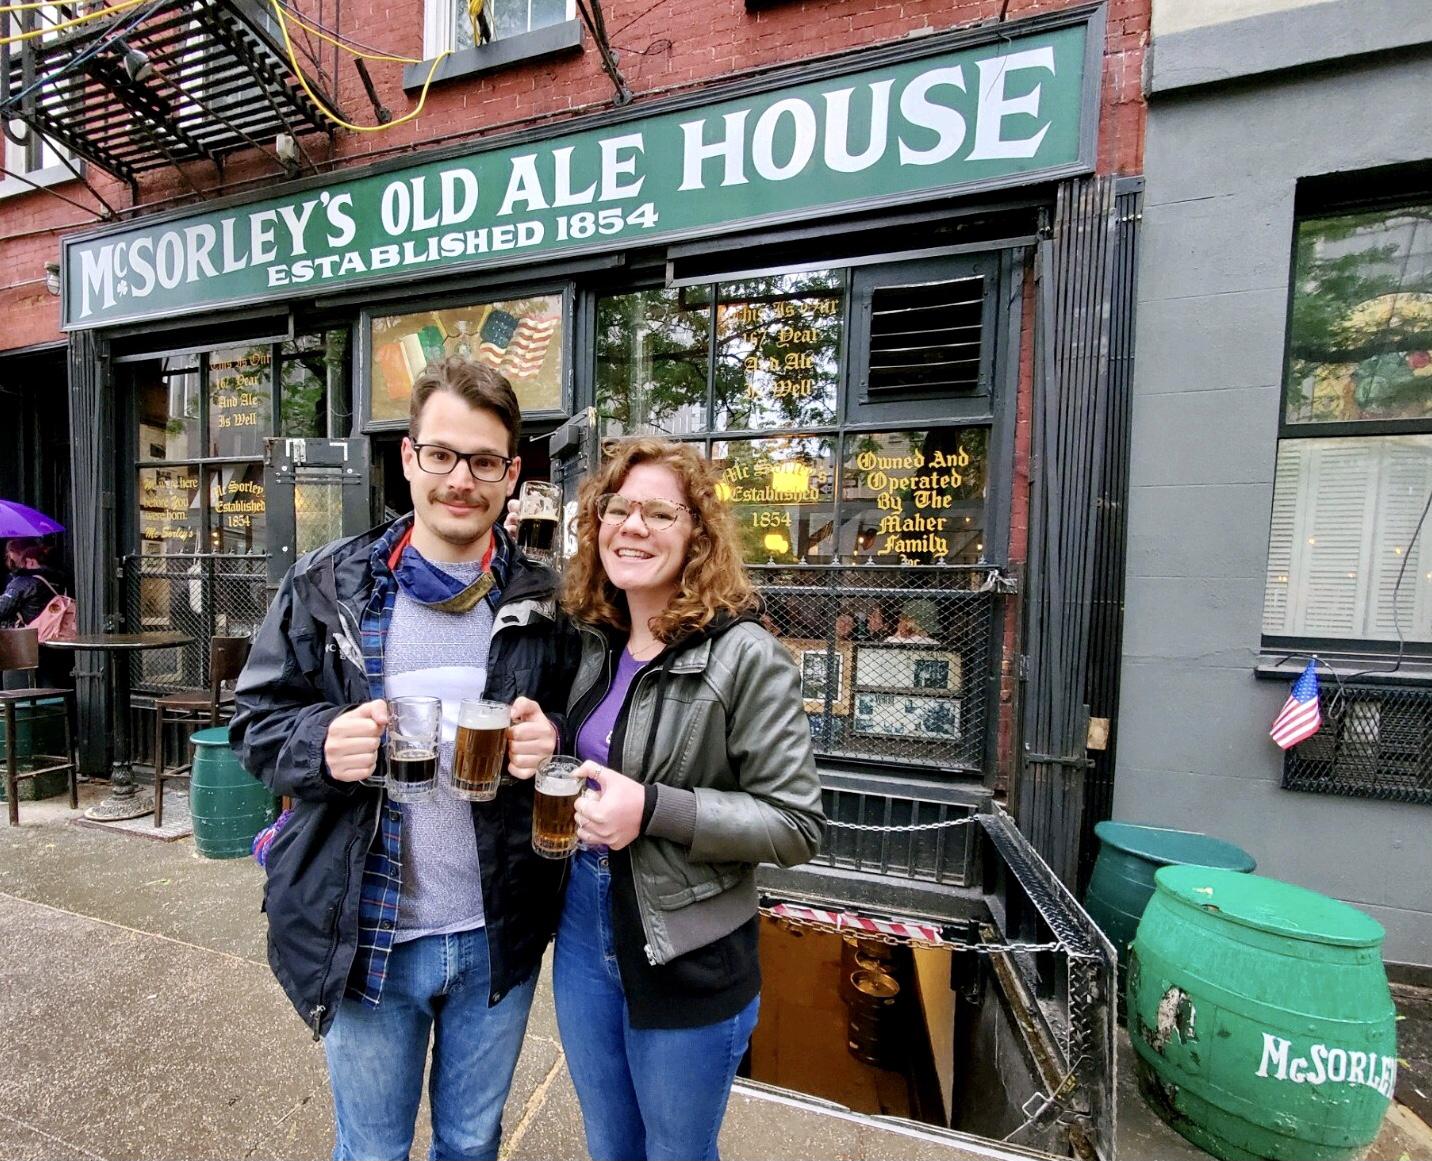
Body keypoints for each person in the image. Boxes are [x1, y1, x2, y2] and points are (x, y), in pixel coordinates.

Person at [229, 358, 577, 1161]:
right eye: (444, 455)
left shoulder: (548, 603)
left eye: (485, 461)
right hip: (368, 936)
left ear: (511, 475)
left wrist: (549, 737)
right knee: (374, 1150)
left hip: (497, 932)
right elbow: (255, 725)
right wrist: (321, 742)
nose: (462, 479)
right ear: (409, 458)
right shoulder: (328, 585)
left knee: (470, 1142)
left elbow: (586, 731)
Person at [540, 437, 825, 1161]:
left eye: (659, 512)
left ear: (697, 533)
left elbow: (796, 823)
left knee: (676, 1152)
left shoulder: (745, 655)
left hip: (688, 948)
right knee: (610, 1144)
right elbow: (598, 756)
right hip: (582, 924)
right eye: (618, 507)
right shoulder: (592, 638)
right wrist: (545, 742)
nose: (632, 525)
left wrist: (655, 809)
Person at [0, 537, 68, 628]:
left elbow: (2, 609)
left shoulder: (22, 583)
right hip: (59, 632)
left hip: (31, 637)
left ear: (30, 561)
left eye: (15, 562)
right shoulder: (61, 578)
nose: (16, 566)